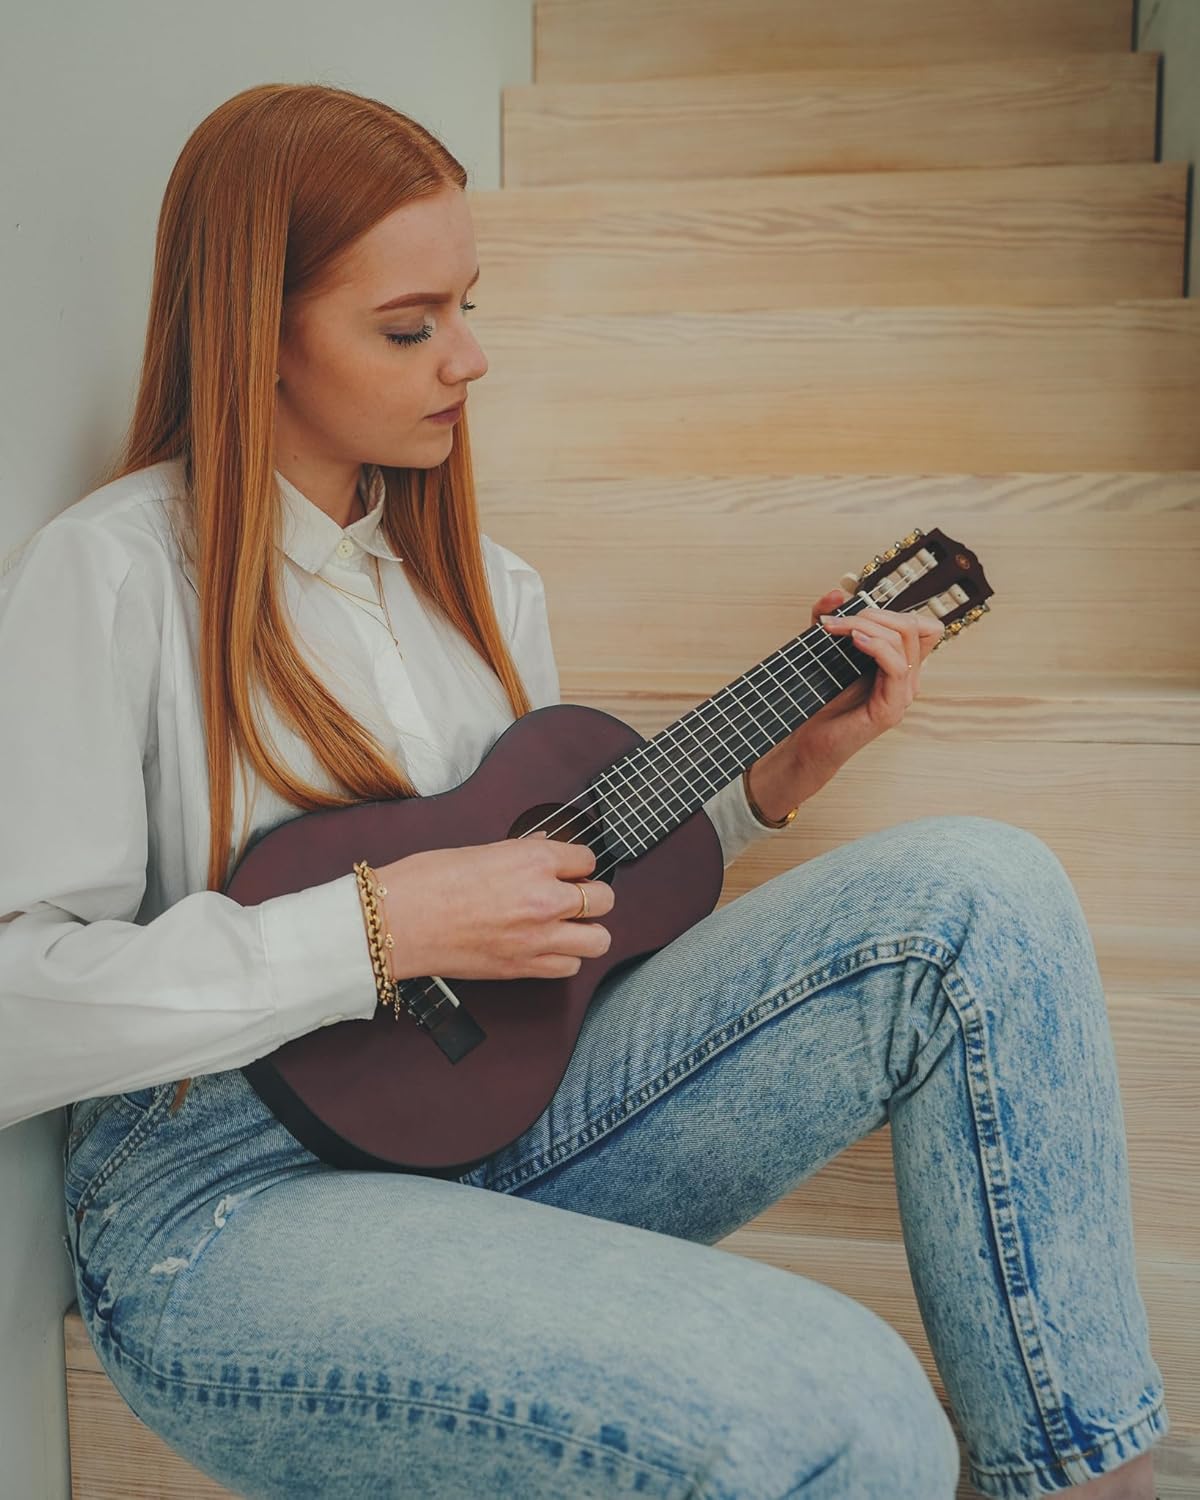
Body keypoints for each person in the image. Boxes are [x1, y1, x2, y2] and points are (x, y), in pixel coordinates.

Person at [0, 83, 1167, 1500]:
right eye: (410, 327)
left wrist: (772, 782)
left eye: (469, 307)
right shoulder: (115, 575)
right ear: (258, 331)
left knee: (986, 890)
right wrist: (373, 931)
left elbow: (556, 895)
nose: (470, 359)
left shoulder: (488, 591)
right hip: (228, 1194)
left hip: (496, 1109)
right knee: (855, 1415)